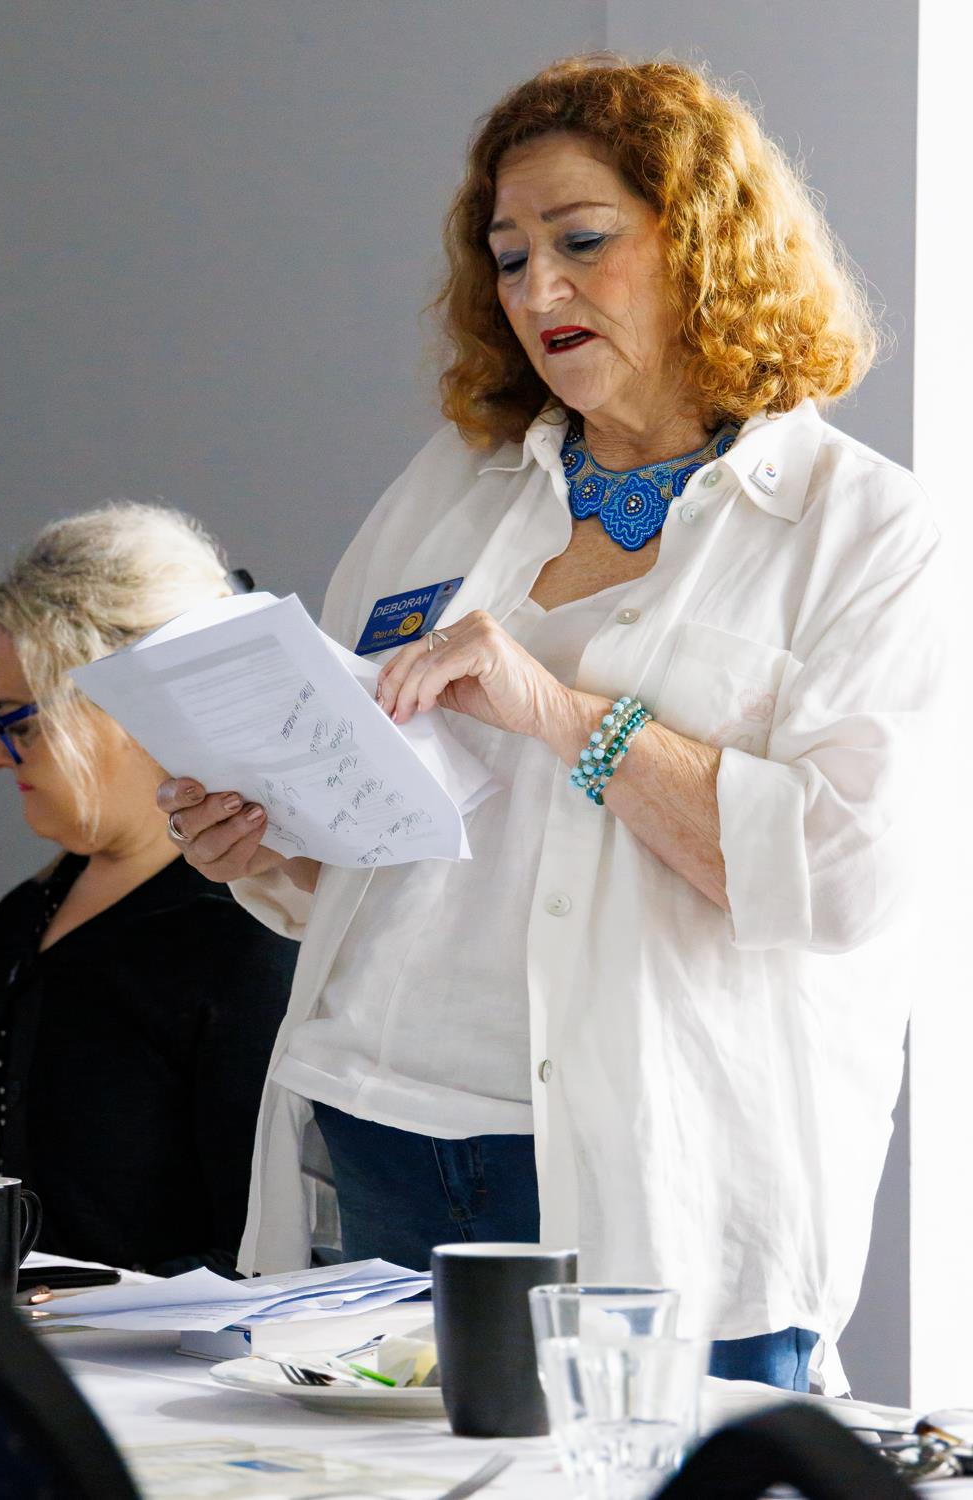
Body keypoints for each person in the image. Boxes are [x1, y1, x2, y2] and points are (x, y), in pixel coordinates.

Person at [158, 56, 941, 1387]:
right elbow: (385, 823)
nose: (536, 292)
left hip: (661, 1176)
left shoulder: (861, 528)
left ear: (703, 243)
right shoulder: (451, 490)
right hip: (381, 1132)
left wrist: (569, 716)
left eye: (581, 242)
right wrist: (267, 845)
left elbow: (843, 875)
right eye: (509, 257)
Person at [0, 503, 297, 1275]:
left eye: (18, 722)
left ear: (126, 705)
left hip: (136, 1357)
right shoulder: (26, 917)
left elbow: (259, 1258)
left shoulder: (240, 938)